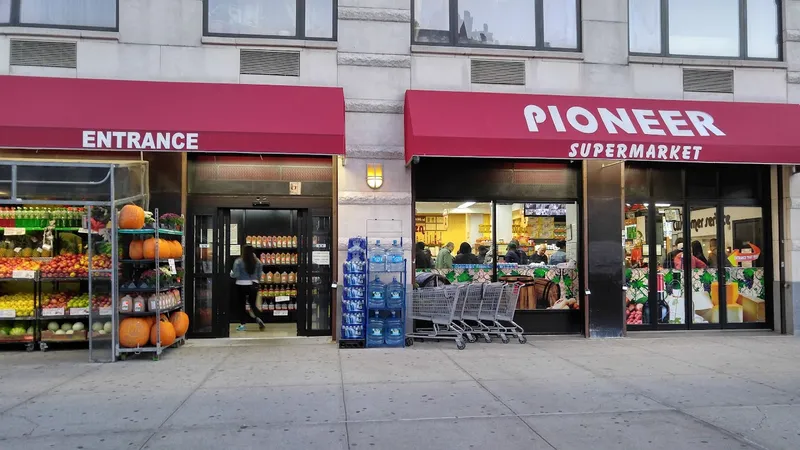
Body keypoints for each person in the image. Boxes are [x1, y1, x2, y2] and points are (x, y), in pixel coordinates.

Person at [230, 245, 264, 331]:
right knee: (253, 304)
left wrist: (231, 273)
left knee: (241, 305)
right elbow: (260, 275)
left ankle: (242, 325)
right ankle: (258, 318)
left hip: (241, 284)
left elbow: (236, 275)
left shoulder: (238, 261)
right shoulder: (258, 262)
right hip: (254, 284)